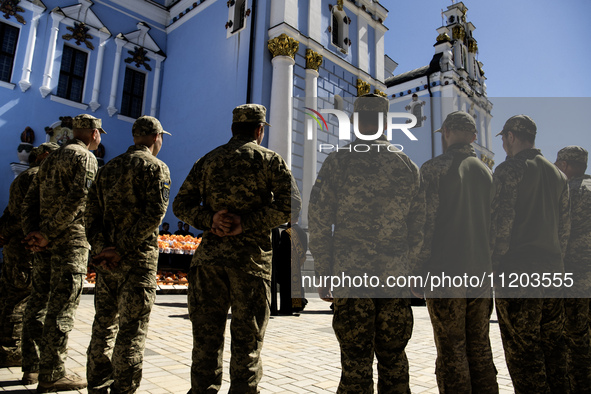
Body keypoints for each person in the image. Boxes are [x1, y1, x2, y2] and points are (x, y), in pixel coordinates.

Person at [173, 104, 301, 393]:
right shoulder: (270, 160)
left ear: (233, 129)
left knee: (206, 341)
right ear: (259, 130)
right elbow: (291, 205)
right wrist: (246, 224)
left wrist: (210, 219)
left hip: (208, 263)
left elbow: (181, 205)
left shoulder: (207, 160)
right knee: (247, 343)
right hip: (250, 264)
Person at [308, 94, 425, 393]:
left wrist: (323, 271)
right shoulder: (407, 166)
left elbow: (319, 220)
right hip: (394, 279)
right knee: (394, 360)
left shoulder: (338, 161)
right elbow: (419, 228)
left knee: (355, 364)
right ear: (386, 123)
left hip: (351, 277)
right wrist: (413, 270)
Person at [85, 115, 171, 393]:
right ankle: (123, 388)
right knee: (131, 329)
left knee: (103, 324)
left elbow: (91, 216)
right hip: (137, 262)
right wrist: (122, 248)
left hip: (108, 263)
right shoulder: (157, 168)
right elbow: (154, 215)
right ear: (156, 137)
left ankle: (97, 384)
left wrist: (103, 248)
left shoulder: (107, 169)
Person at [21, 114, 104, 392]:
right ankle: (53, 374)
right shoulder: (86, 158)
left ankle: (32, 368)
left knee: (38, 304)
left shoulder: (52, 157)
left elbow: (30, 200)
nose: (100, 138)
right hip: (69, 243)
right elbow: (80, 199)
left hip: (45, 244)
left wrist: (33, 233)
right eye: (99, 133)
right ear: (93, 133)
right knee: (61, 309)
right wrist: (49, 232)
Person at [418, 111, 498, 393]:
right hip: (481, 274)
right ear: (474, 136)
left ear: (448, 132)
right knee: (480, 347)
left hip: (445, 272)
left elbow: (425, 224)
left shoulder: (433, 169)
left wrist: (418, 271)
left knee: (452, 351)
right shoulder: (487, 173)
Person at [491, 115, 570, 393]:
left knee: (524, 355)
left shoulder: (509, 169)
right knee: (554, 351)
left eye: (503, 138)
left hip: (518, 273)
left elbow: (502, 225)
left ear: (511, 136)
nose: (502, 144)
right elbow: (564, 230)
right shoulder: (557, 174)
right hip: (553, 273)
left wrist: (494, 266)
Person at [0, 143, 59, 369]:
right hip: (28, 247)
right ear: (44, 156)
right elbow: (26, 215)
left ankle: (6, 346)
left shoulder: (22, 178)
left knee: (9, 296)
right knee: (22, 299)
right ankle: (12, 349)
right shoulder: (38, 178)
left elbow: (10, 212)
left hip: (15, 245)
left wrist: (3, 231)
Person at [555, 145, 591, 393]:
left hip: (576, 277)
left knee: (575, 340)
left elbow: (561, 235)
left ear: (565, 165)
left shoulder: (570, 191)